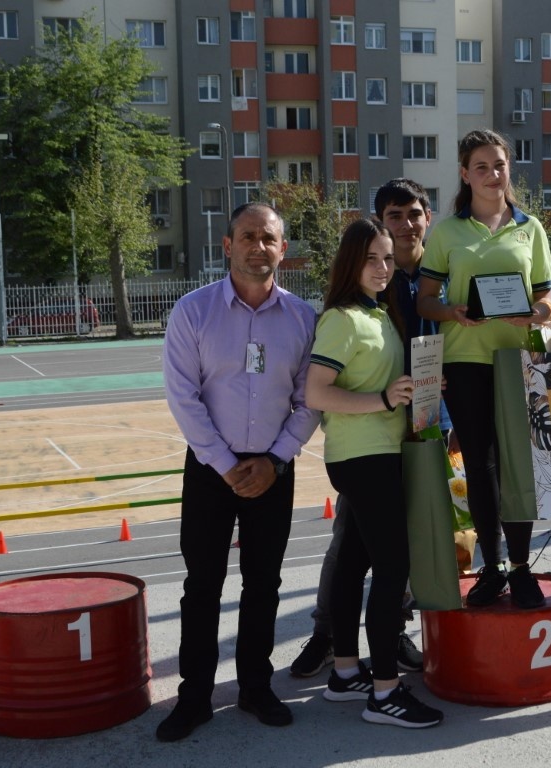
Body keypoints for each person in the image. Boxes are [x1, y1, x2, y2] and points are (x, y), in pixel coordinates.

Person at [157, 203, 320, 741]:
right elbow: (183, 399)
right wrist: (228, 468)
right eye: (247, 236)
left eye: (268, 238)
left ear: (283, 249)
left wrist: (275, 461)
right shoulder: (193, 311)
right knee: (203, 584)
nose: (258, 246)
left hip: (274, 470)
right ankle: (195, 697)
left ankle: (255, 686)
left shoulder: (303, 318)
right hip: (211, 470)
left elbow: (309, 401)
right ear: (227, 245)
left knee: (264, 583)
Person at [289, 178, 444, 678]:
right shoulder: (343, 318)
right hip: (363, 456)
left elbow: (388, 380)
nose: (382, 267)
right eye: (371, 258)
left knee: (355, 564)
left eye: (387, 259)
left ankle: (345, 672)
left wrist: (421, 390)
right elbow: (316, 392)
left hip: (387, 448)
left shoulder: (379, 312)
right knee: (391, 568)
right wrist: (382, 399)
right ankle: (383, 688)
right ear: (350, 262)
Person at [418, 128, 551, 610]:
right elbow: (426, 300)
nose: (493, 174)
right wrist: (453, 312)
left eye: (499, 165)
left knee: (518, 466)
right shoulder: (447, 232)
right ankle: (491, 566)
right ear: (464, 174)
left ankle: (520, 567)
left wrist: (532, 315)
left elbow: (546, 304)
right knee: (480, 465)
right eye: (481, 167)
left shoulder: (530, 228)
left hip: (515, 362)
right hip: (464, 360)